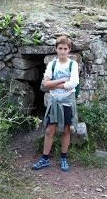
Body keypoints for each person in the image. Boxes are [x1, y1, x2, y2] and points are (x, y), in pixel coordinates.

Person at [32, 35, 79, 171]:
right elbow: (45, 83)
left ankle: (63, 158)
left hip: (67, 101)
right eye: (60, 48)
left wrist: (54, 85)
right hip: (54, 101)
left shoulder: (72, 64)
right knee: (49, 130)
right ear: (56, 49)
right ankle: (45, 159)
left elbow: (74, 82)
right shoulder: (52, 64)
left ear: (69, 50)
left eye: (65, 48)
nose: (62, 51)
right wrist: (62, 80)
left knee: (65, 130)